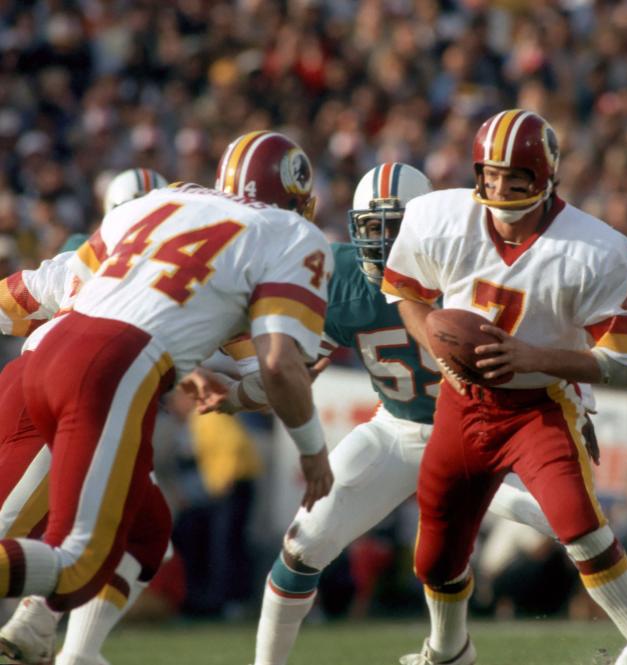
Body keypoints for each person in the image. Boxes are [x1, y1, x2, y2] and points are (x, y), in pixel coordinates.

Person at [185, 162, 557, 665]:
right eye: (372, 228)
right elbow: (287, 371)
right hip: (397, 430)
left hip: (480, 435)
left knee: (569, 522)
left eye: (397, 229)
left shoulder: (473, 271)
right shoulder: (341, 280)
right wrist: (235, 395)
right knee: (302, 544)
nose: (383, 243)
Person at [0, 130, 335, 662]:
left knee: (147, 530)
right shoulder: (287, 234)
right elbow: (277, 367)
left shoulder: (165, 201)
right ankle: (42, 626)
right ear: (296, 201)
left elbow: (46, 289)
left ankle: (52, 638)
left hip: (46, 358)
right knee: (78, 559)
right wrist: (312, 450)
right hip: (106, 374)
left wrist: (195, 373)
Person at [380, 109, 627, 665]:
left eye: (514, 176)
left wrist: (534, 357)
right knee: (435, 557)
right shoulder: (439, 216)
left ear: (545, 178)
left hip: (540, 405)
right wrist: (435, 347)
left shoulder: (596, 249)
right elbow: (406, 291)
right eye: (490, 174)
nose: (498, 187)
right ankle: (448, 651)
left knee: (579, 524)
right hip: (463, 402)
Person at [0, 168, 172, 665]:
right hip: (65, 398)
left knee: (147, 532)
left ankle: (54, 637)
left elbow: (21, 296)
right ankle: (51, 633)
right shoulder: (180, 271)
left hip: (69, 394)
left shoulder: (85, 256)